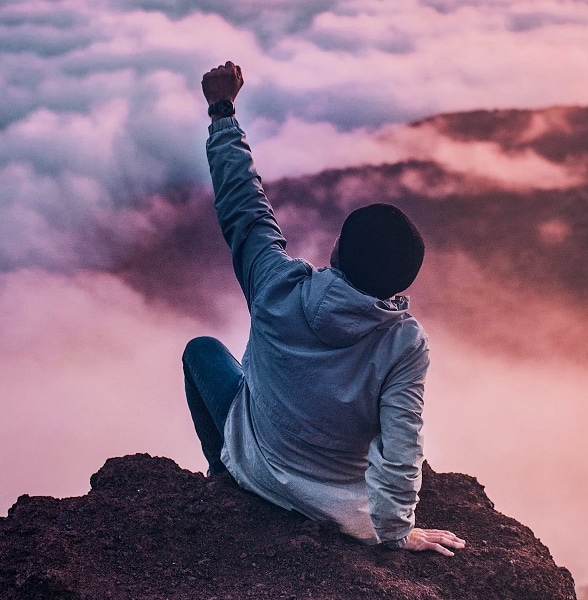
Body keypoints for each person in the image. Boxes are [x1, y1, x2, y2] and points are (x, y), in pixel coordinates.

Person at [182, 61, 465, 556]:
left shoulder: (276, 285)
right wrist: (397, 533)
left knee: (202, 351)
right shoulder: (404, 343)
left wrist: (222, 113)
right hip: (336, 506)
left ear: (338, 251)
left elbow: (244, 209)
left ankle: (221, 471)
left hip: (256, 466)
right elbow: (403, 450)